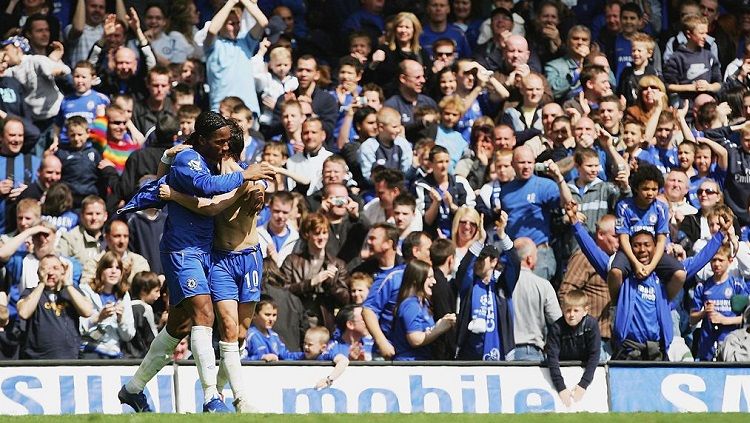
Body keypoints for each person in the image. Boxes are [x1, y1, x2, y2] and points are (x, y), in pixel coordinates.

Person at [118, 111, 271, 413]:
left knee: (179, 325)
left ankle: (132, 389)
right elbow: (205, 188)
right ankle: (212, 398)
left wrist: (250, 187)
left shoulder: (208, 157)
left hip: (204, 250)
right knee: (205, 315)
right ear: (203, 139)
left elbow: (209, 196)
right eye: (220, 141)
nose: (225, 147)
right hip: (182, 250)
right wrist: (245, 176)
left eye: (228, 142)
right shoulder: (189, 158)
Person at [608, 164, 686, 299]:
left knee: (680, 274)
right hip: (629, 253)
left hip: (653, 253)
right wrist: (636, 263)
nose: (650, 193)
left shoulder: (661, 208)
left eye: (654, 189)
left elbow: (661, 240)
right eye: (645, 189)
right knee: (615, 272)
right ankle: (616, 303)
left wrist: (651, 266)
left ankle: (665, 303)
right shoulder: (624, 206)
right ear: (636, 188)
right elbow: (624, 238)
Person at [454, 211, 520, 360]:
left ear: (493, 262)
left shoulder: (503, 287)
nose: (477, 263)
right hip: (470, 355)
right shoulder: (469, 286)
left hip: (501, 354)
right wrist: (480, 240)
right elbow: (463, 269)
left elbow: (515, 264)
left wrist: (502, 235)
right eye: (477, 259)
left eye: (482, 259)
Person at [280, 212, 350, 334]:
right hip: (296, 321)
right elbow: (282, 291)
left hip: (325, 324)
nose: (322, 237)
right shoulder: (292, 260)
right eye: (317, 233)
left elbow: (345, 299)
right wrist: (311, 283)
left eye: (325, 233)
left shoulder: (338, 264)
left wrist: (330, 284)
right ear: (307, 234)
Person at [16, 254, 93, 359]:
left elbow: (87, 311)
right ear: (38, 273)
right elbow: (23, 313)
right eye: (45, 269)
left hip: (69, 358)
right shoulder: (30, 292)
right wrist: (42, 283)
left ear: (63, 271)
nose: (50, 273)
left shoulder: (72, 292)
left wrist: (67, 283)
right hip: (37, 360)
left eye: (55, 268)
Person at [204, 0, 268, 114]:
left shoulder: (245, 42)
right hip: (222, 112)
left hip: (248, 111)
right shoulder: (213, 45)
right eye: (231, 24)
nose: (236, 27)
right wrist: (231, 2)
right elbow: (212, 30)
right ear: (222, 24)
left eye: (238, 23)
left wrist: (245, 1)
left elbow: (263, 22)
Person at [690, 245, 750, 361]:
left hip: (732, 345)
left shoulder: (737, 285)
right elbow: (692, 319)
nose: (716, 264)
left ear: (730, 261)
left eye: (721, 260)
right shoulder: (702, 286)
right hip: (707, 345)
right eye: (713, 260)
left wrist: (724, 320)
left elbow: (746, 319)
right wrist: (704, 313)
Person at [390, 259, 456, 360]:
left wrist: (442, 322)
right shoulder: (410, 305)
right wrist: (439, 328)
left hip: (421, 363)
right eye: (429, 277)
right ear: (417, 279)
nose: (434, 281)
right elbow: (415, 339)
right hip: (409, 365)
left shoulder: (423, 303)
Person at [545, 290, 601, 407]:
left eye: (576, 310)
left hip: (585, 369)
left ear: (585, 311)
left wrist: (584, 384)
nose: (571, 315)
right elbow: (552, 358)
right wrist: (561, 388)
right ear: (562, 310)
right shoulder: (556, 328)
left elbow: (595, 355)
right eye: (568, 310)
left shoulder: (591, 325)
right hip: (562, 367)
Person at [511, 237, 562, 361]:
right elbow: (557, 322)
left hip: (503, 352)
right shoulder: (543, 285)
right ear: (529, 258)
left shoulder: (500, 283)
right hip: (531, 352)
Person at [79, 251, 135, 359]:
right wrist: (99, 318)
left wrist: (120, 319)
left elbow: (128, 336)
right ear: (100, 270)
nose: (114, 271)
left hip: (114, 354)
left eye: (118, 268)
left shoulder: (124, 295)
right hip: (90, 351)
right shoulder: (85, 290)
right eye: (109, 267)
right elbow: (80, 328)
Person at [245, 295, 304, 361]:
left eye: (274, 315)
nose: (271, 319)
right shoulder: (248, 335)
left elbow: (285, 355)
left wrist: (305, 355)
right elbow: (240, 359)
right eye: (267, 315)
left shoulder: (274, 336)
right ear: (254, 315)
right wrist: (261, 358)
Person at [121, 271, 160, 359]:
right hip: (141, 355)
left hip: (126, 355)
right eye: (156, 291)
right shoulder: (145, 309)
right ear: (144, 290)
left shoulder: (126, 306)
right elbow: (151, 336)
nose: (159, 295)